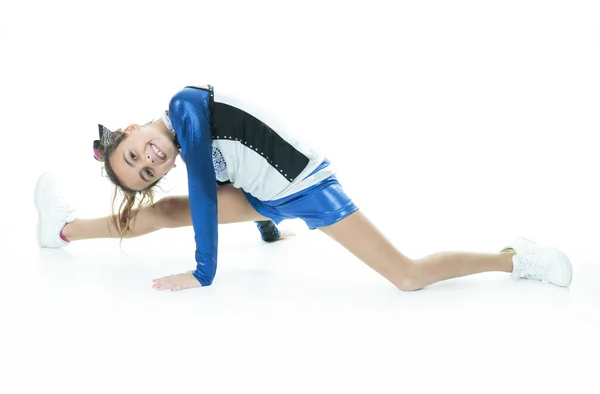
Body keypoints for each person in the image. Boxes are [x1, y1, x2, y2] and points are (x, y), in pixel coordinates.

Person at [35, 85, 573, 292]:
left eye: (138, 155)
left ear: (135, 128)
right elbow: (236, 166)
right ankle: (60, 229)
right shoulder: (193, 146)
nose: (150, 162)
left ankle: (517, 258)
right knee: (163, 213)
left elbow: (205, 186)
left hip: (311, 188)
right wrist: (268, 227)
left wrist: (203, 272)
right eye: (145, 173)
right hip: (271, 197)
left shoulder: (183, 107)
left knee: (406, 276)